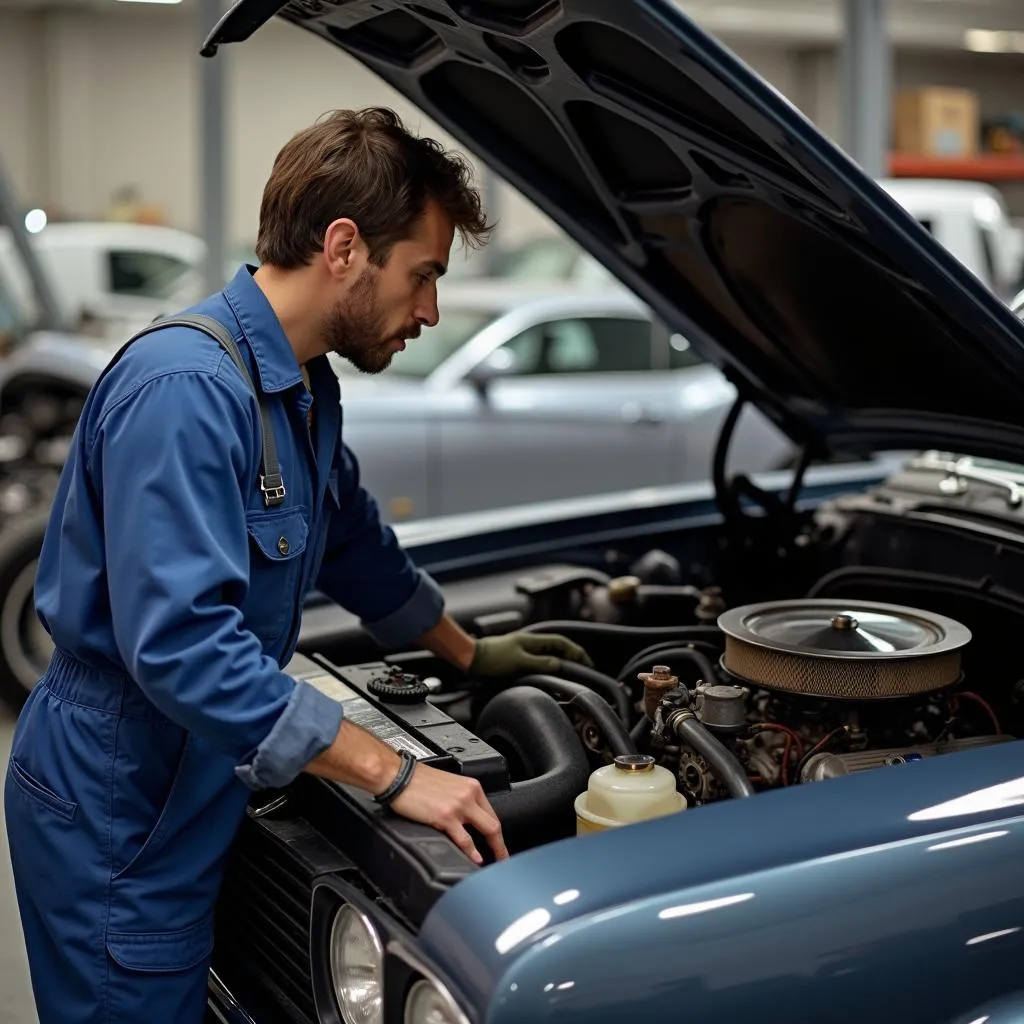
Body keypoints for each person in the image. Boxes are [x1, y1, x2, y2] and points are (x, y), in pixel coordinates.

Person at [4, 107, 592, 1024]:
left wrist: (470, 655)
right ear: (346, 247)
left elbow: (355, 545)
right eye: (425, 275)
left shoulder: (302, 385)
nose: (431, 311)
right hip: (119, 797)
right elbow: (186, 649)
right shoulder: (189, 393)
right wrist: (397, 773)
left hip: (193, 767)